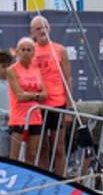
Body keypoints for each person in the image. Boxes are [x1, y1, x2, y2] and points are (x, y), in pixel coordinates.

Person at [29, 15, 74, 171]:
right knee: (42, 148)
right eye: (38, 28)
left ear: (50, 28)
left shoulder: (60, 50)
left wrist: (68, 109)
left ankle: (61, 182)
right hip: (38, 106)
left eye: (45, 27)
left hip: (58, 104)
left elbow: (68, 79)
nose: (43, 31)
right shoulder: (29, 51)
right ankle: (45, 182)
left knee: (59, 148)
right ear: (32, 33)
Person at [5, 37, 48, 165]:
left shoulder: (36, 70)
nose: (25, 52)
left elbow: (45, 94)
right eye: (22, 49)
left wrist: (30, 95)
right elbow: (20, 96)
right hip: (18, 117)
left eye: (29, 50)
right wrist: (36, 95)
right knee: (15, 156)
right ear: (17, 52)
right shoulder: (11, 70)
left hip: (35, 117)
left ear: (33, 53)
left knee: (32, 155)